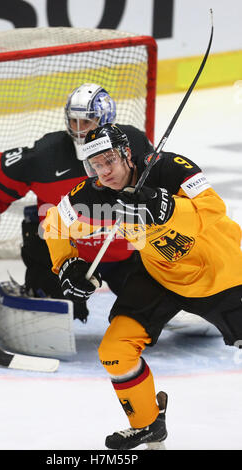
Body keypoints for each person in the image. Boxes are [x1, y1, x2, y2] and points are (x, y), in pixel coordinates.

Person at [42, 123, 242, 449]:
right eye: (95, 165)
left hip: (222, 277)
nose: (103, 172)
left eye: (109, 161)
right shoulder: (97, 191)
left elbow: (214, 209)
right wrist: (66, 263)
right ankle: (148, 425)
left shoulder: (171, 168)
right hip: (159, 276)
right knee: (114, 352)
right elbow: (53, 222)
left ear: (129, 155)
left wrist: (170, 208)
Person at [0, 83, 153, 324]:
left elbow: (162, 183)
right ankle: (41, 294)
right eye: (74, 121)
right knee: (50, 310)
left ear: (105, 119)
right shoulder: (47, 156)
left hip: (125, 253)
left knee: (149, 309)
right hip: (63, 261)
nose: (79, 130)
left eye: (86, 122)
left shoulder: (134, 143)